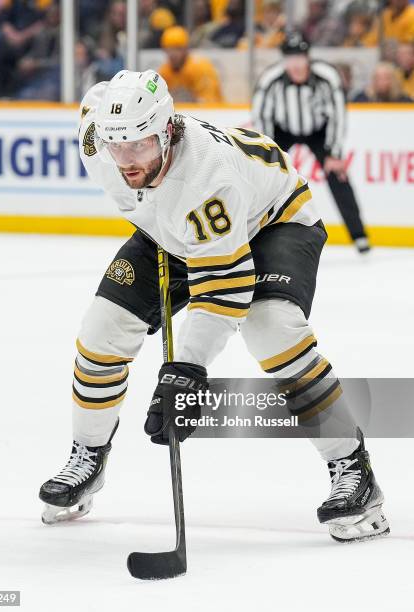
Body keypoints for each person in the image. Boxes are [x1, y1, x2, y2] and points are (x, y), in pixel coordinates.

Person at [38, 69, 389, 543]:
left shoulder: (207, 180)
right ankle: (88, 454)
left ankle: (352, 467)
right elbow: (98, 99)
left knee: (271, 328)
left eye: (138, 144)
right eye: (116, 144)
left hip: (271, 222)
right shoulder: (98, 134)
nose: (124, 159)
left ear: (166, 130)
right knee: (101, 332)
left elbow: (223, 286)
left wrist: (186, 369)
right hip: (171, 232)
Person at [252, 32, 370, 253]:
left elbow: (338, 114)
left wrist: (334, 153)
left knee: (338, 174)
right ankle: (256, 232)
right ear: (283, 59)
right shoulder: (270, 79)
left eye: (300, 57)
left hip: (318, 130)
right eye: (290, 58)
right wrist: (267, 154)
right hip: (281, 130)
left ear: (308, 57)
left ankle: (359, 235)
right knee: (265, 178)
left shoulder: (327, 75)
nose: (295, 64)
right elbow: (262, 117)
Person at [158, 26, 223, 103]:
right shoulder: (164, 71)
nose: (172, 54)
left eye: (177, 49)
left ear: (186, 49)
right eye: (169, 49)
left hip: (212, 113)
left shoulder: (200, 67)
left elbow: (208, 103)